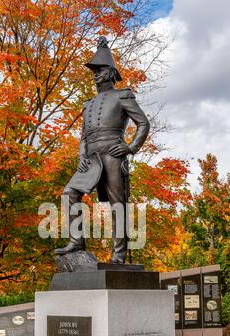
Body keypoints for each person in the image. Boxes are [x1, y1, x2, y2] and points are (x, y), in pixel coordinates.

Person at [55, 37, 150, 264]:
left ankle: (118, 255)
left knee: (118, 205)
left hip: (113, 154)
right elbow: (83, 136)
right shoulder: (88, 104)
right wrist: (81, 156)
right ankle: (76, 241)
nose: (95, 75)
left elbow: (143, 123)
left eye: (99, 70)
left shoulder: (123, 96)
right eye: (94, 71)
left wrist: (130, 147)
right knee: (70, 193)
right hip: (91, 158)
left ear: (110, 73)